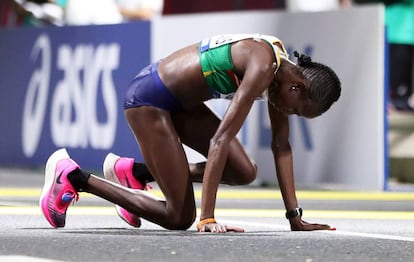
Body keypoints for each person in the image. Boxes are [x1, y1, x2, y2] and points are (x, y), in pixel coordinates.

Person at [39, 33, 341, 233]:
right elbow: (219, 141)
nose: (289, 114)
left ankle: (137, 174)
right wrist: (207, 218)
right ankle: (75, 177)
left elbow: (281, 146)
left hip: (180, 104)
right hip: (149, 100)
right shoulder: (263, 66)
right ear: (297, 87)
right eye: (296, 110)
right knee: (179, 217)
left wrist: (295, 218)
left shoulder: (280, 78)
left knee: (244, 172)